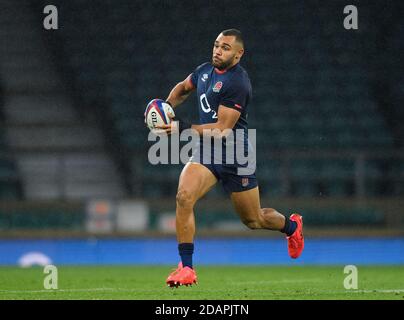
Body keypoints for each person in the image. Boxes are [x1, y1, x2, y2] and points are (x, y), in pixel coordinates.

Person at [153, 29, 304, 288]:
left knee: (253, 220)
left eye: (224, 47)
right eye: (216, 45)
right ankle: (186, 267)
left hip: (236, 154)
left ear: (238, 54)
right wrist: (164, 109)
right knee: (184, 196)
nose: (217, 50)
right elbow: (183, 88)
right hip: (207, 150)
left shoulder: (238, 83)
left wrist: (179, 127)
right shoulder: (203, 71)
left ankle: (291, 227)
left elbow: (223, 130)